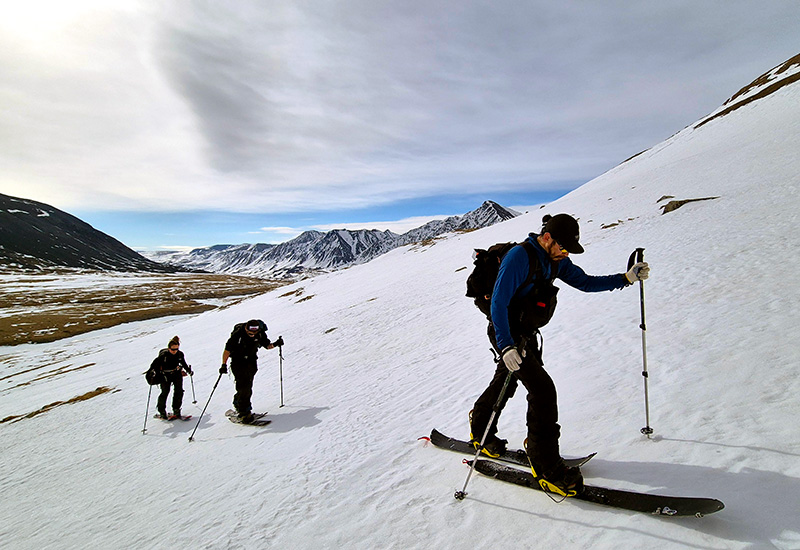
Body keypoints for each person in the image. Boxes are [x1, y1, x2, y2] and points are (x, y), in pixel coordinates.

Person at [469, 213, 650, 497]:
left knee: (509, 379)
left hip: (525, 331)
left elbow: (585, 282)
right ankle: (545, 466)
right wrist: (506, 346)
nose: (566, 254)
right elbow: (499, 304)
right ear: (547, 238)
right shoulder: (519, 257)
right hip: (506, 331)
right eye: (563, 247)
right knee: (542, 389)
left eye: (569, 250)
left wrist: (625, 278)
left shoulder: (556, 260)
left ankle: (480, 427)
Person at [220, 319, 276, 423]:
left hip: (251, 363)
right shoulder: (238, 335)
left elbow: (267, 346)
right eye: (251, 331)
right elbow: (227, 350)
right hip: (238, 363)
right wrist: (223, 364)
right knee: (244, 388)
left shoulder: (260, 334)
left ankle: (239, 405)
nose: (253, 333)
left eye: (255, 330)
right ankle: (244, 414)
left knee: (247, 387)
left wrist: (276, 344)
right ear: (246, 328)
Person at [150, 336, 193, 419]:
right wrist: (154, 374)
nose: (175, 351)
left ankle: (176, 410)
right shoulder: (163, 355)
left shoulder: (180, 354)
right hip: (165, 375)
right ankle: (162, 411)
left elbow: (183, 363)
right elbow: (155, 366)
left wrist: (189, 371)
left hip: (176, 373)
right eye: (173, 349)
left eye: (176, 349)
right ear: (169, 348)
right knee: (165, 392)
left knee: (179, 391)